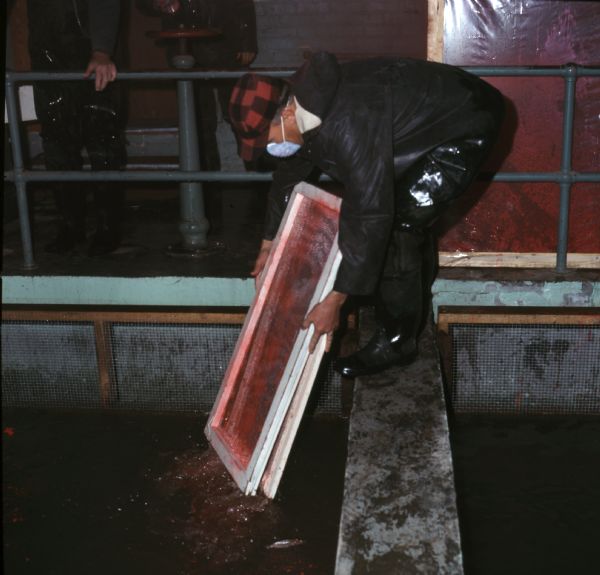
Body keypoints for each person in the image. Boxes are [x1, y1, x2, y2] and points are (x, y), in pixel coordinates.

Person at [228, 52, 505, 379]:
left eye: (268, 140)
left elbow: (370, 215)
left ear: (286, 112)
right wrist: (268, 242)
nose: (270, 149)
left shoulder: (348, 125)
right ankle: (411, 294)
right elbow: (288, 178)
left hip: (465, 124)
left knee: (399, 223)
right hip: (426, 121)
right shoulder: (305, 106)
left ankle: (397, 343)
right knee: (407, 216)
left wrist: (335, 301)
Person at [142, 0, 258, 227]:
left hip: (225, 42)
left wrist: (247, 41)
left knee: (240, 118)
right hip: (186, 45)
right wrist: (159, 4)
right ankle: (208, 190)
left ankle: (258, 185)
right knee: (200, 121)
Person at [28, 0, 127, 256]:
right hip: (48, 55)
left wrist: (102, 50)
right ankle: (70, 227)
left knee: (102, 140)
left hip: (92, 50)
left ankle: (107, 228)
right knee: (57, 142)